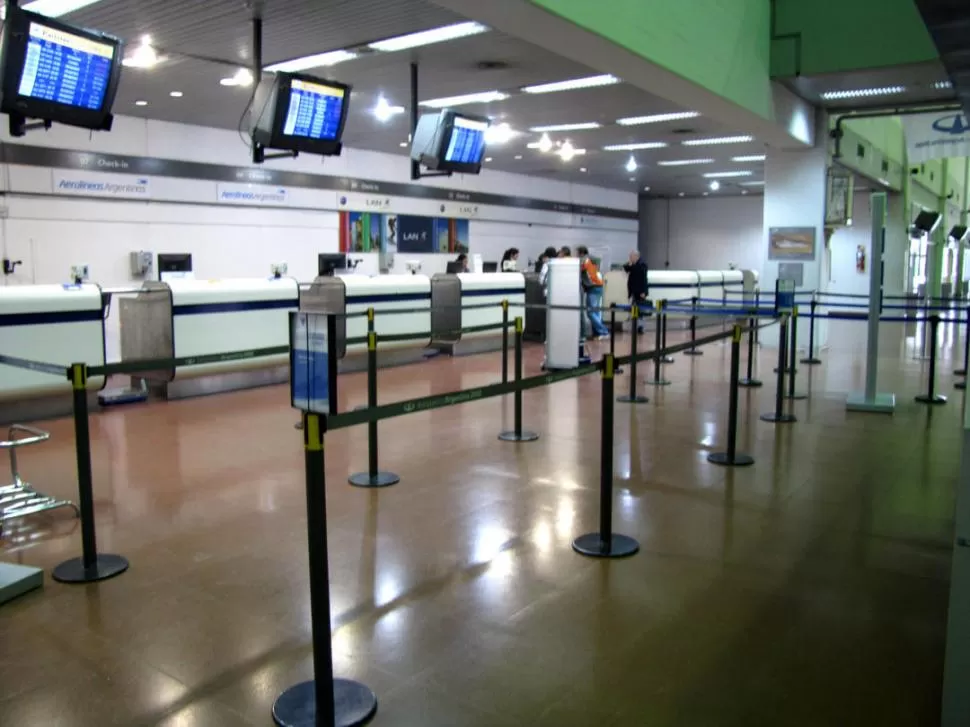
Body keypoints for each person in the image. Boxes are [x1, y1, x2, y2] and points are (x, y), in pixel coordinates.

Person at [577, 246, 609, 339]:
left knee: (590, 312)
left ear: (581, 253)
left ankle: (604, 332)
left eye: (578, 253)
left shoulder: (584, 259)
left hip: (593, 287)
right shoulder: (592, 259)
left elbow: (579, 269)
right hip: (598, 286)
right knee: (596, 312)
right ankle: (599, 332)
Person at [623, 250, 648, 333]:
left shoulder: (642, 265)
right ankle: (636, 326)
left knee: (640, 310)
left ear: (636, 256)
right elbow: (626, 268)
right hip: (633, 291)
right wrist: (629, 263)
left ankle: (640, 327)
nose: (630, 258)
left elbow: (643, 279)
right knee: (634, 309)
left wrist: (643, 292)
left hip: (640, 291)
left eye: (631, 257)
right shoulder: (634, 265)